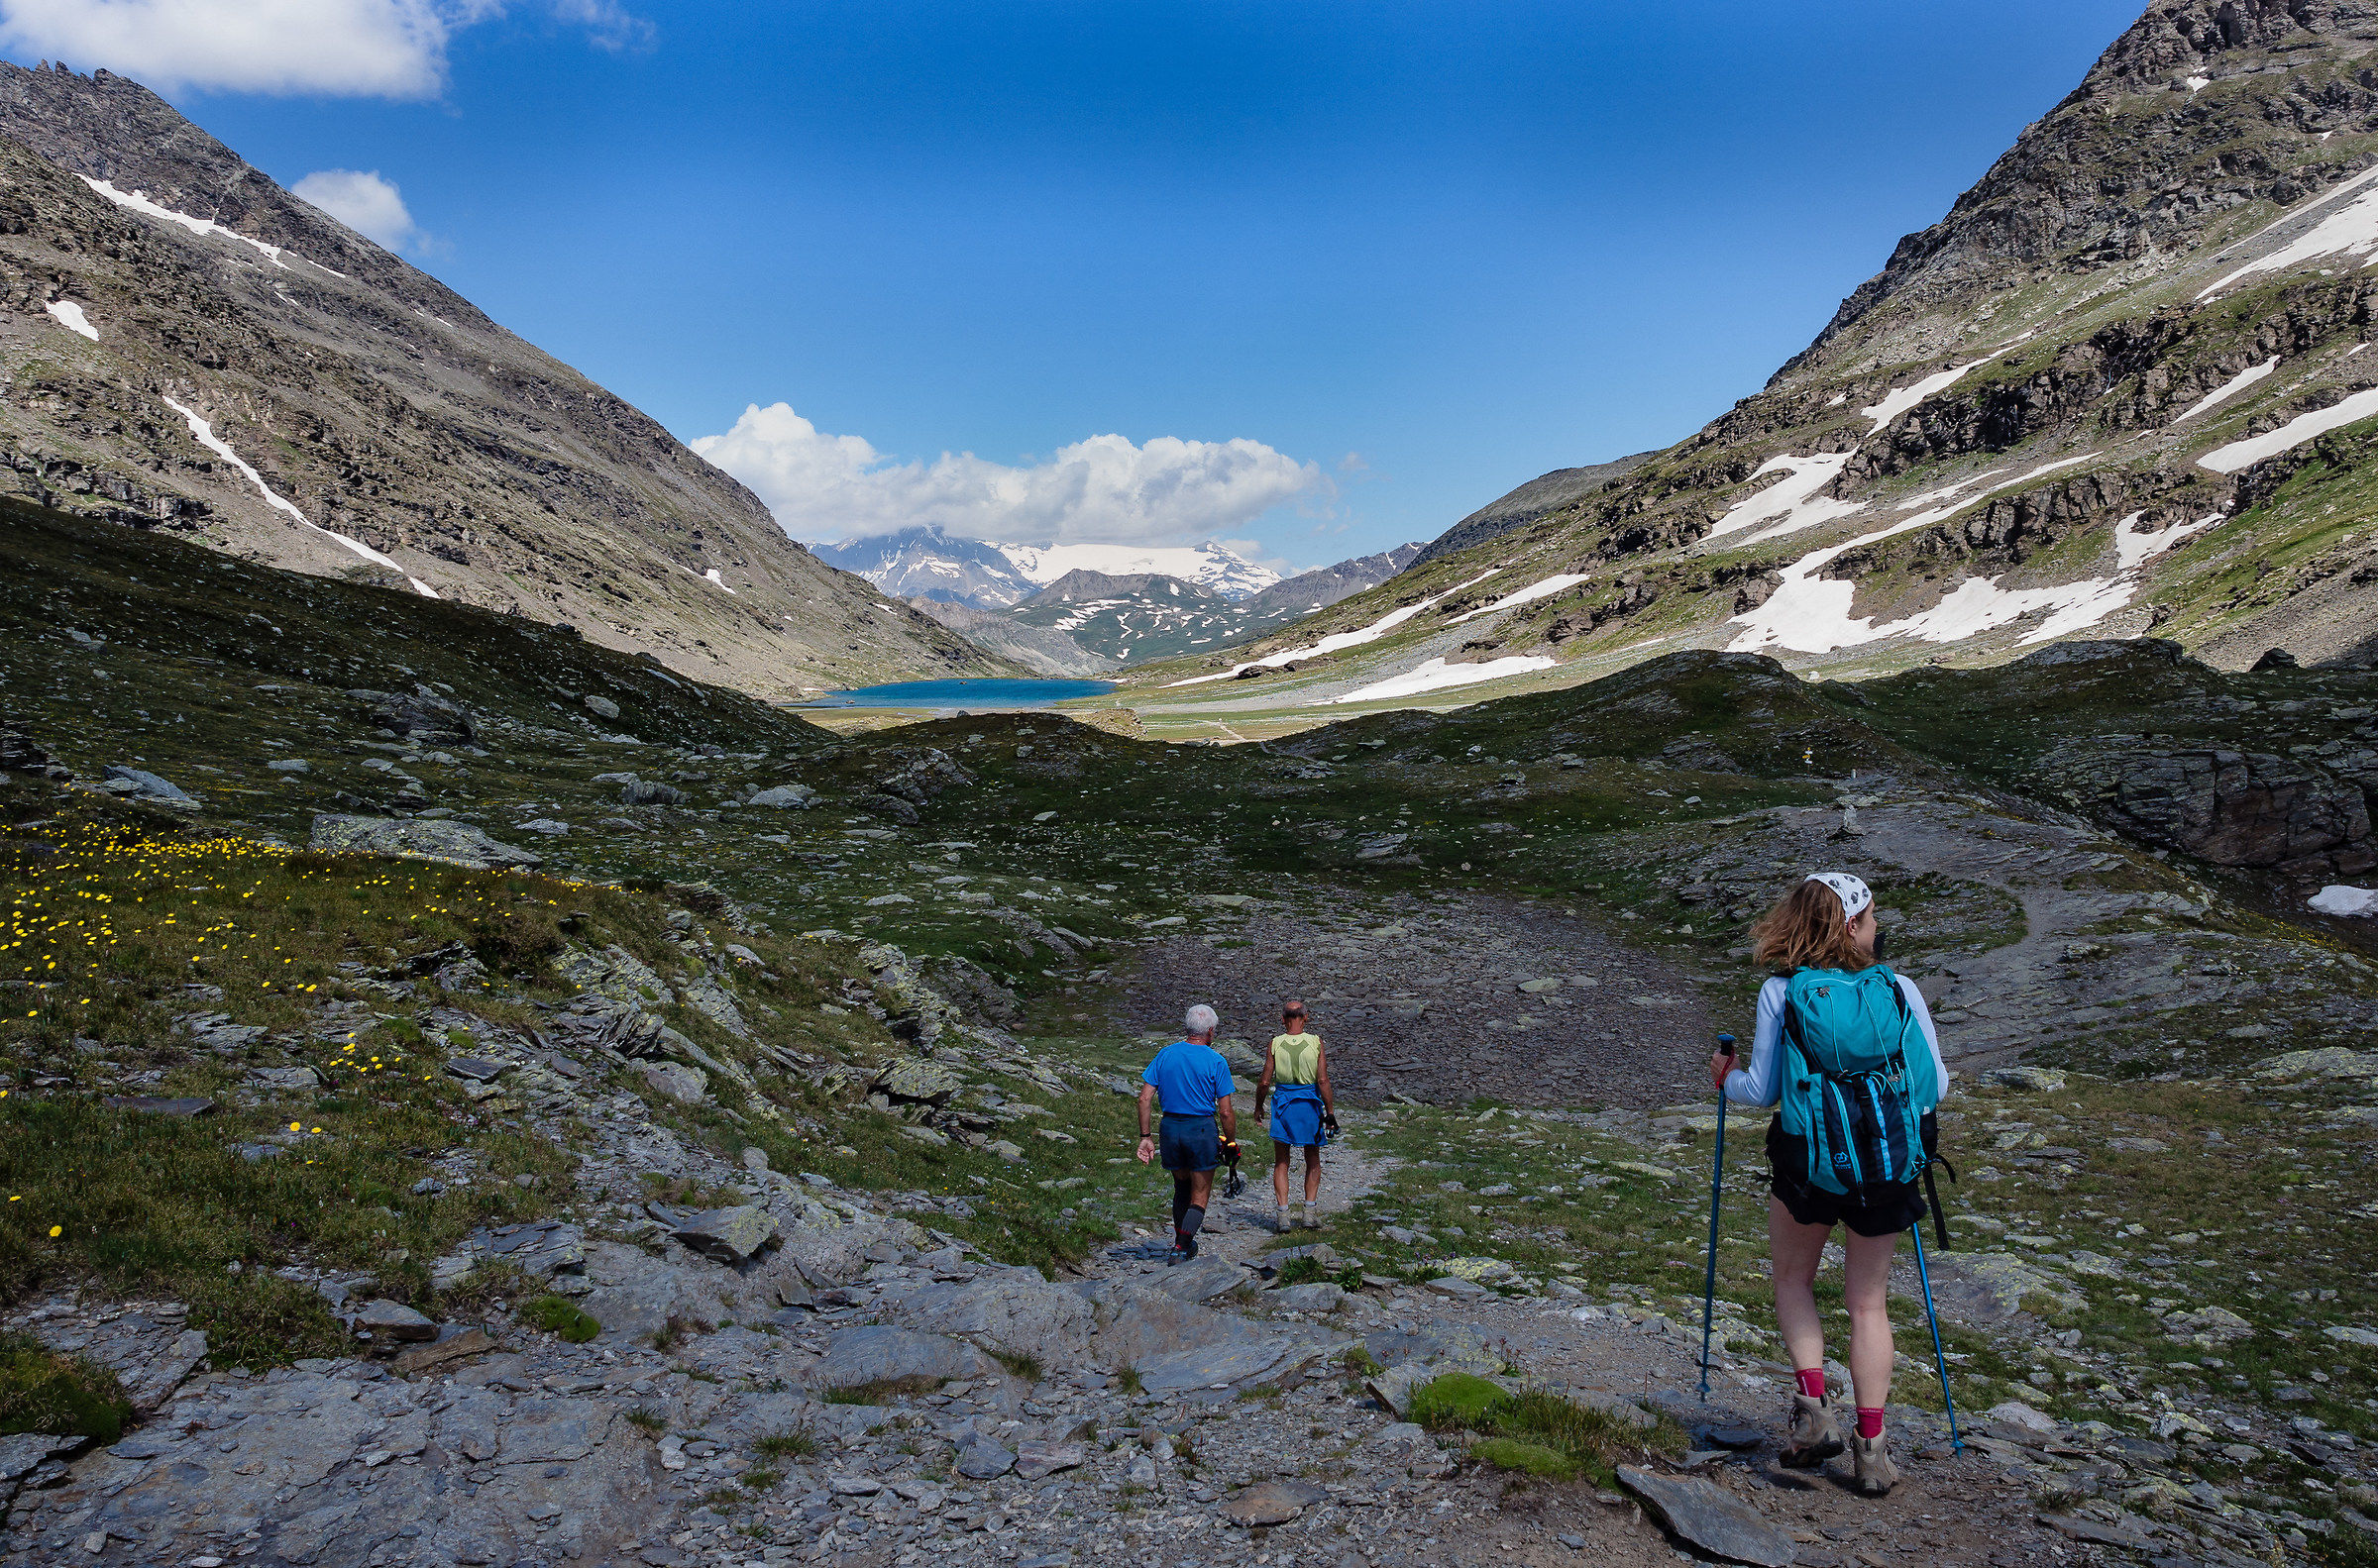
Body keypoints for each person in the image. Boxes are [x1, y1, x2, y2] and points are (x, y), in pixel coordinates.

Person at [1711, 871, 1948, 1498]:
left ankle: (1815, 1414)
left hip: (1805, 1163)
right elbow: (1937, 1085)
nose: (1877, 926)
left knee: (1794, 1280)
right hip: (1886, 1166)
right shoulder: (1899, 988)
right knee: (1868, 1303)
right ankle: (1871, 1451)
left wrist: (1724, 1078)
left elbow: (1762, 1090)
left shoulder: (1781, 992)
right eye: (1870, 917)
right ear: (1849, 925)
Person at [1135, 1003, 1240, 1262]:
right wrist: (1231, 1142)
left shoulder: (1165, 1054)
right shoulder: (1216, 1061)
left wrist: (1145, 1137)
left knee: (1181, 1186)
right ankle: (1182, 1247)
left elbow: (1144, 1098)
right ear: (1210, 1031)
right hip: (1201, 1129)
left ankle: (1180, 1242)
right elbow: (1226, 1112)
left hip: (1170, 1128)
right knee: (1200, 1194)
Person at [1250, 999, 1336, 1232]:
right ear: (1305, 1017)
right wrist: (1330, 1112)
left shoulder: (1275, 1043)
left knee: (1281, 1161)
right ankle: (1309, 1213)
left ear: (1283, 1019)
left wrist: (1258, 1107)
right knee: (1313, 1158)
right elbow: (1323, 1080)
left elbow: (1265, 1081)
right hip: (1309, 1103)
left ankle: (1283, 1216)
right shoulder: (1315, 1042)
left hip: (1283, 1103)